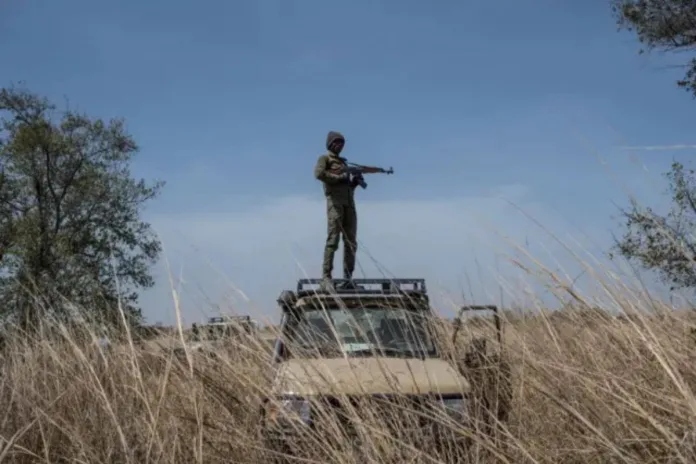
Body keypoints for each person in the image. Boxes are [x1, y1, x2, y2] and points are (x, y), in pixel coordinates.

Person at [314, 131, 363, 290]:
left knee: (351, 243)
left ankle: (348, 279)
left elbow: (347, 188)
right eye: (337, 142)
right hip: (335, 204)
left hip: (349, 205)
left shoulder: (344, 163)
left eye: (342, 143)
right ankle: (326, 278)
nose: (340, 146)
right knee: (333, 240)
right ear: (330, 144)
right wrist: (340, 177)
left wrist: (354, 182)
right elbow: (319, 174)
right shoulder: (325, 159)